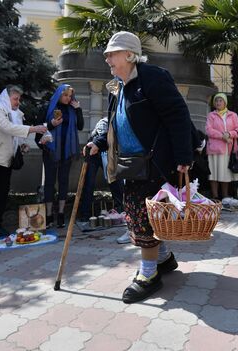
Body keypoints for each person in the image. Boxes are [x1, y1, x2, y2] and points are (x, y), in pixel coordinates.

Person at [99, 31, 196, 303]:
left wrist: (183, 157)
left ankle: (149, 274)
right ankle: (163, 259)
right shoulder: (118, 86)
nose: (107, 58)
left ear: (129, 54)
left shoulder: (152, 77)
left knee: (143, 216)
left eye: (112, 53)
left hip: (156, 163)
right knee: (145, 215)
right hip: (132, 164)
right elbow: (113, 122)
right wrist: (97, 142)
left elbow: (178, 116)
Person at [0, 86, 47, 224]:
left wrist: (21, 146)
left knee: (1, 195)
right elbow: (8, 128)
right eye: (15, 99)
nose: (18, 102)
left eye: (19, 99)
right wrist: (34, 129)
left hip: (5, 161)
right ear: (5, 98)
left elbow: (14, 136)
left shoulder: (15, 114)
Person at [35, 84, 84, 228]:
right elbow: (39, 129)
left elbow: (80, 126)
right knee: (49, 183)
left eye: (70, 96)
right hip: (50, 151)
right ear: (59, 95)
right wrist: (51, 124)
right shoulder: (48, 108)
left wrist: (78, 109)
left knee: (64, 182)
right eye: (65, 95)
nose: (68, 98)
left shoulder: (72, 109)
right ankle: (49, 215)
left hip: (66, 151)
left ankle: (61, 214)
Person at [82, 117, 128, 244]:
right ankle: (85, 215)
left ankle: (120, 211)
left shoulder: (123, 126)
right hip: (94, 151)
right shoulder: (106, 122)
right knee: (89, 183)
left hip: (108, 151)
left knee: (115, 180)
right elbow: (103, 137)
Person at [205, 93, 238, 200]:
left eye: (220, 101)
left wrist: (230, 134)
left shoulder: (233, 115)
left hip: (228, 149)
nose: (218, 103)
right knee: (214, 173)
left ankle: (225, 196)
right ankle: (215, 196)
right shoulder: (211, 115)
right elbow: (208, 130)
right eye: (216, 101)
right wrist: (222, 136)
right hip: (214, 149)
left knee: (225, 173)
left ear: (225, 102)